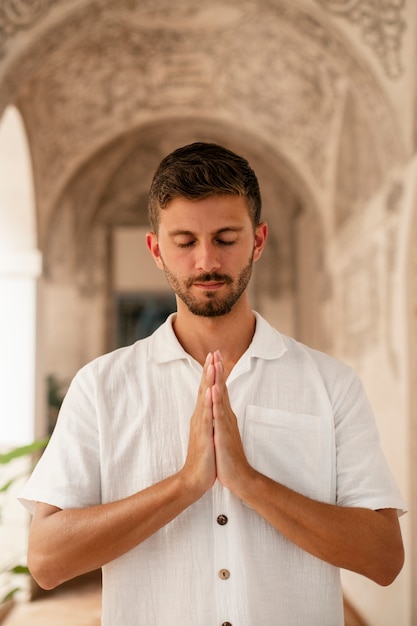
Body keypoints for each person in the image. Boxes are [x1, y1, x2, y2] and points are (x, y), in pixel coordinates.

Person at [20, 142, 406, 626]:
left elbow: (385, 559)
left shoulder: (332, 385)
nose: (206, 262)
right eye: (185, 241)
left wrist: (248, 482)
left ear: (258, 241)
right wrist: (185, 485)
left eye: (226, 238)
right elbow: (47, 561)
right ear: (156, 249)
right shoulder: (101, 387)